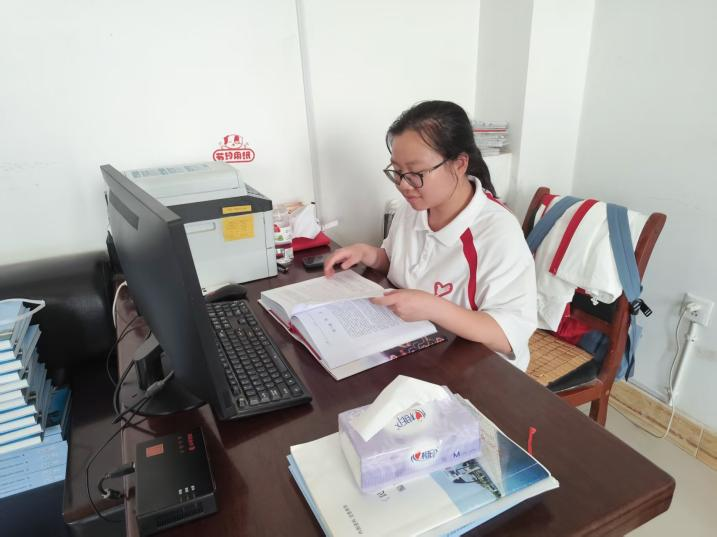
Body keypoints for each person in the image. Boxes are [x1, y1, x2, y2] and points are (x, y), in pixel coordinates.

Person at [323, 100, 537, 370]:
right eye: (397, 171)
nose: (403, 185)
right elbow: (399, 265)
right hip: (417, 346)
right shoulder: (413, 208)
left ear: (459, 164)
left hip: (477, 369)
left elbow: (508, 336)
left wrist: (433, 307)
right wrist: (368, 254)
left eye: (415, 173)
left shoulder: (497, 231)